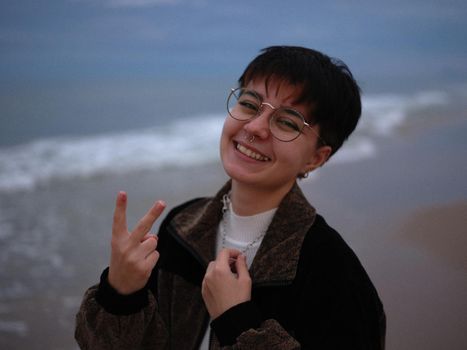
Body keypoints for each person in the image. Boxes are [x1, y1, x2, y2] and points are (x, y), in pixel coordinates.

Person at [75, 46, 386, 349]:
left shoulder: (335, 274)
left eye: (288, 122)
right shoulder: (180, 229)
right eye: (250, 105)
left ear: (316, 158)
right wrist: (120, 293)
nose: (254, 127)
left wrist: (237, 322)